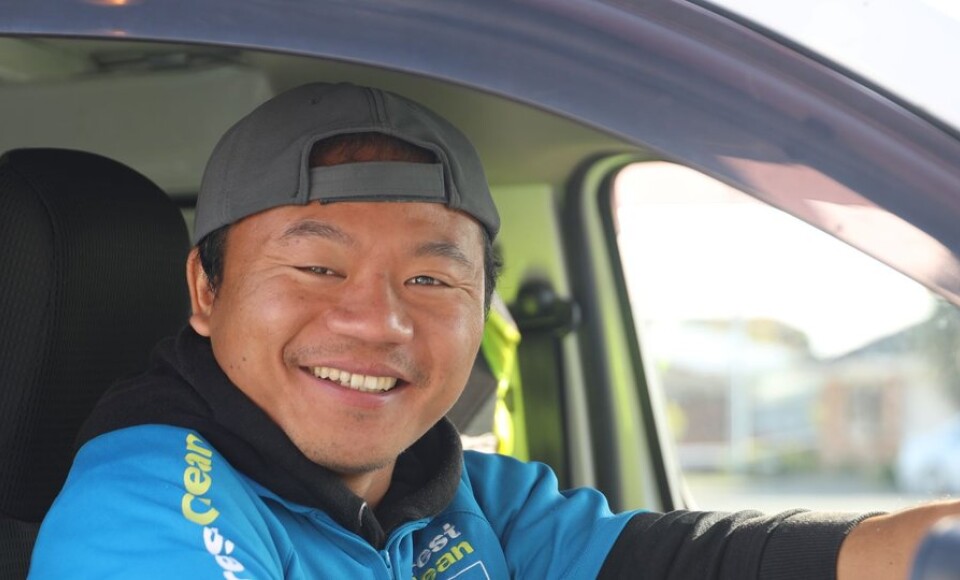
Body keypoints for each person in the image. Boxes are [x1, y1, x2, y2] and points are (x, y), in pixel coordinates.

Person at [29, 82, 958, 579]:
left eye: (431, 278)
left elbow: (707, 561)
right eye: (317, 267)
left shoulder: (464, 498)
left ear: (483, 313)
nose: (378, 321)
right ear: (205, 289)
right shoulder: (150, 500)